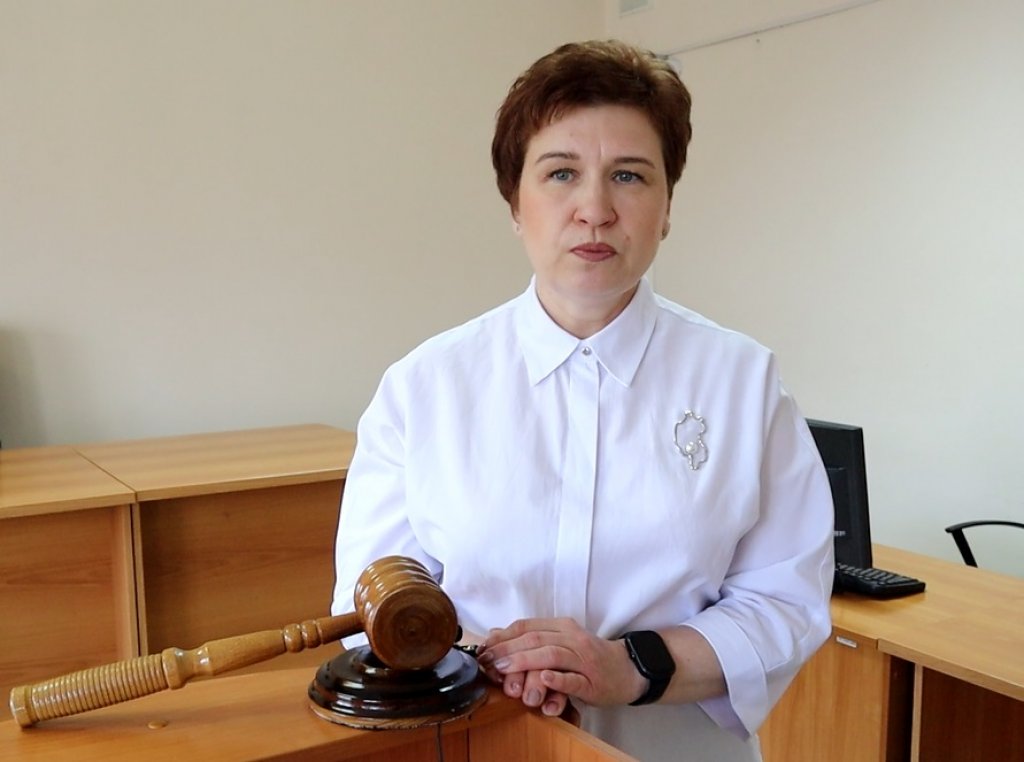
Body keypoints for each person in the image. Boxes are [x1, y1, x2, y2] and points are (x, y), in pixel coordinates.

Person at [332, 39, 834, 762]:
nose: (594, 210)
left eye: (629, 175)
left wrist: (630, 667)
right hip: (477, 742)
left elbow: (785, 604)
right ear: (515, 203)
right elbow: (368, 608)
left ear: (667, 207)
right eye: (561, 173)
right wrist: (499, 664)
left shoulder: (743, 381)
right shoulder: (424, 388)